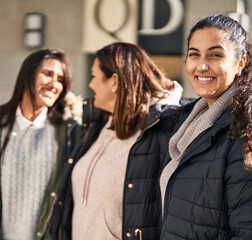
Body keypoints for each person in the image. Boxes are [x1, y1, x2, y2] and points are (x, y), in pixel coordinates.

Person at [160, 15, 252, 239]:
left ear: (241, 63)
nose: (202, 65)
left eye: (215, 55)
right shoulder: (193, 121)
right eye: (194, 54)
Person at [51, 42, 183, 240]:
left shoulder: (160, 132)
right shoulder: (95, 126)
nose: (90, 84)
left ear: (114, 81)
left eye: (94, 76)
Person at [0, 48, 82, 240]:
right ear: (27, 75)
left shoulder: (70, 133)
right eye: (47, 74)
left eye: (61, 79)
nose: (54, 84)